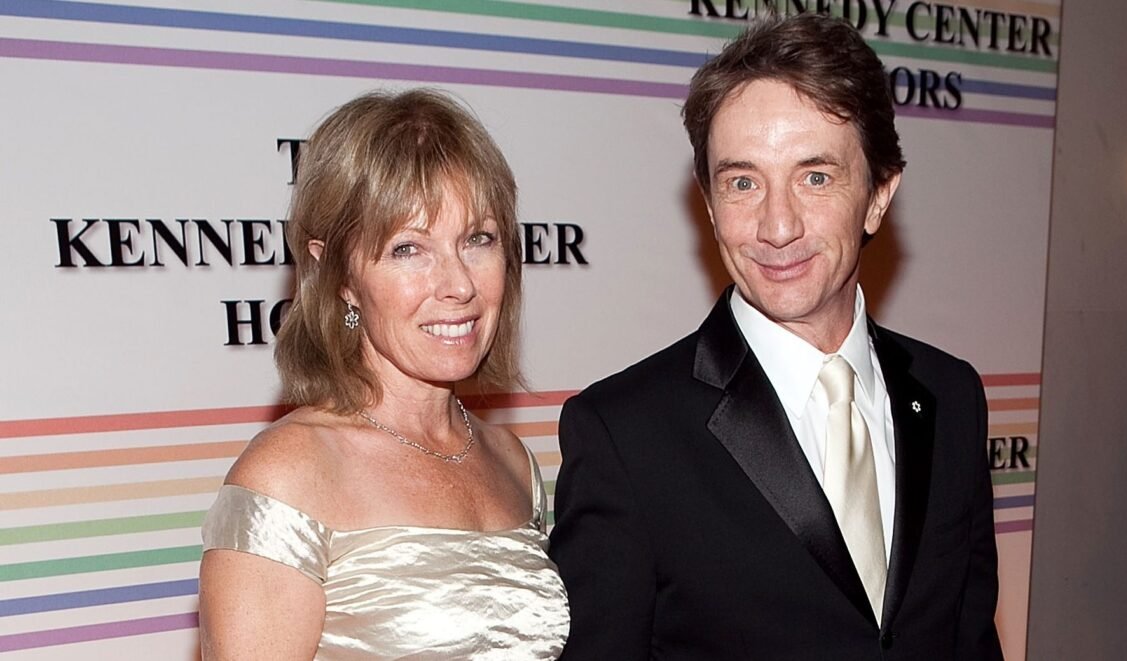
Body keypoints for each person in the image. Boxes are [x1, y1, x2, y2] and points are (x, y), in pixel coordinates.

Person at [549, 12, 1003, 660]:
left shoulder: (952, 396)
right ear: (709, 206)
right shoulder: (625, 435)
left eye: (815, 177)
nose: (778, 225)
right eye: (743, 182)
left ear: (878, 194)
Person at [198, 89, 569, 660]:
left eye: (478, 240)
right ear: (340, 276)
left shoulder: (511, 460)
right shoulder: (288, 473)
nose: (459, 285)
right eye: (407, 249)